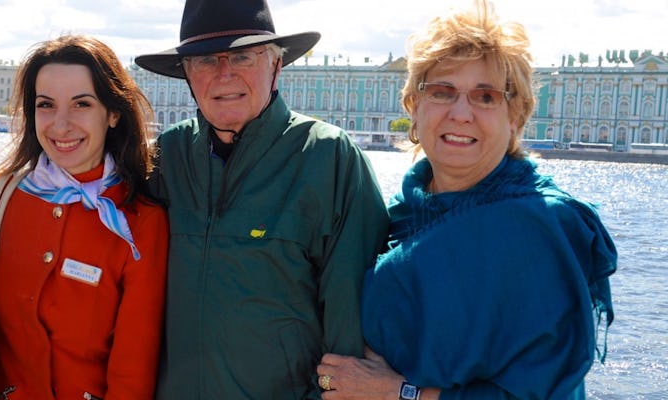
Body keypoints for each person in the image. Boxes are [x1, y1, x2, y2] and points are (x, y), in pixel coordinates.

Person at [315, 1, 617, 399]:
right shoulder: (393, 215)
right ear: (413, 106)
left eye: (486, 96)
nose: (461, 112)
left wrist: (400, 393)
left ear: (516, 116)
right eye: (442, 92)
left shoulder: (541, 226)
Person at [133, 0, 390, 398]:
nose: (224, 74)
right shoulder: (168, 155)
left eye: (242, 56)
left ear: (277, 65)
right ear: (185, 74)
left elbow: (350, 326)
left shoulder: (329, 158)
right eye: (203, 60)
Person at [0, 35, 169, 400]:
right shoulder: (5, 192)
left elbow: (133, 370)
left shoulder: (141, 221)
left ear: (113, 113)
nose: (60, 125)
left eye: (81, 104)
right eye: (46, 105)